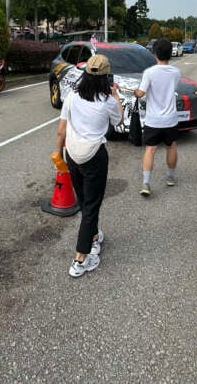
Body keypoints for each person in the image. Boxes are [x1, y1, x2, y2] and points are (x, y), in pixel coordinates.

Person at [54, 53, 122, 277]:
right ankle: (80, 259)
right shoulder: (107, 100)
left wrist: (59, 155)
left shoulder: (72, 95)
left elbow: (61, 130)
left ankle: (93, 236)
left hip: (72, 154)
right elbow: (119, 121)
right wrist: (116, 95)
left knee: (84, 201)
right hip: (94, 156)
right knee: (91, 207)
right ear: (106, 77)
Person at [135, 37, 181, 196]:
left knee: (150, 149)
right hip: (170, 119)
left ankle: (146, 183)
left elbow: (140, 94)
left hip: (153, 120)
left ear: (155, 54)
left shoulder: (149, 72)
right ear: (170, 54)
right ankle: (170, 177)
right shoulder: (176, 71)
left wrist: (136, 91)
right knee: (171, 146)